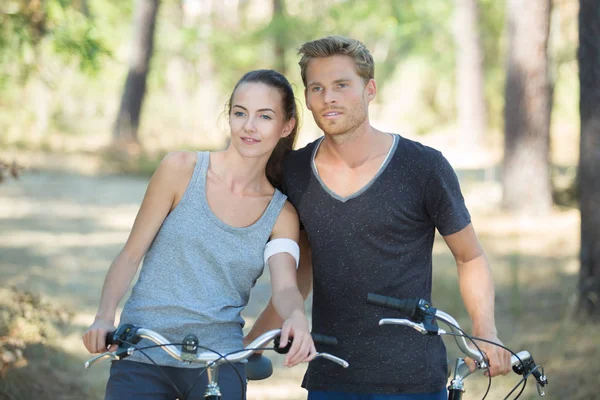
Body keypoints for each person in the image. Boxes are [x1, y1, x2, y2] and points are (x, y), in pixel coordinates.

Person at [245, 36, 513, 399]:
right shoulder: (294, 172)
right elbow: (299, 270)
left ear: (369, 89)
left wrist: (485, 331)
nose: (329, 98)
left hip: (413, 378)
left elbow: (470, 256)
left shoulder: (423, 167)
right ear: (306, 98)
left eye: (342, 85)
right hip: (330, 374)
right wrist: (250, 345)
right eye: (317, 88)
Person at [83, 69, 316, 400]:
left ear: (286, 126)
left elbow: (285, 288)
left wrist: (295, 317)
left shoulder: (281, 213)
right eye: (240, 113)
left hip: (218, 361)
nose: (249, 126)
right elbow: (131, 254)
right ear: (230, 116)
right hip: (144, 348)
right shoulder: (181, 170)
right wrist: (104, 316)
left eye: (264, 116)